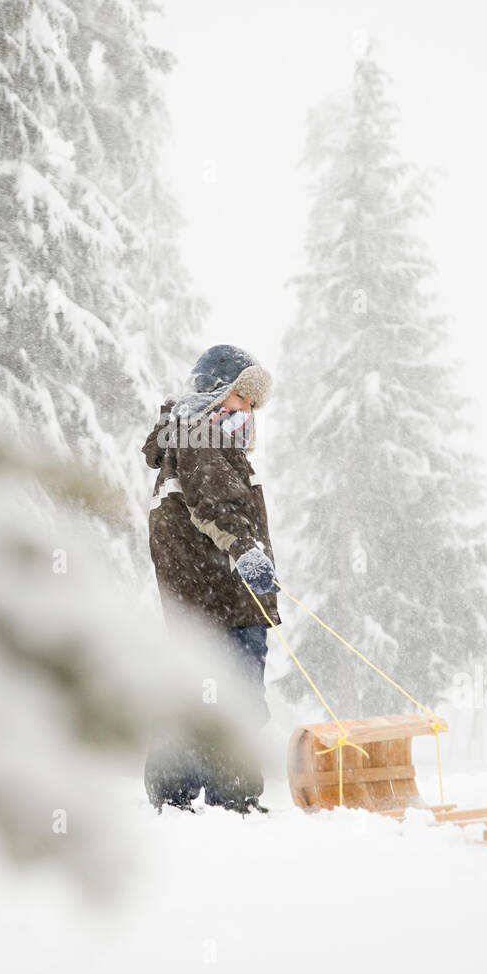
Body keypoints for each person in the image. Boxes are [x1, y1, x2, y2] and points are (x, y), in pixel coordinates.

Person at [141, 344, 280, 814]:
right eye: (244, 398)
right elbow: (214, 506)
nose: (250, 410)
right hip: (222, 595)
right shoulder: (201, 438)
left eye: (254, 404)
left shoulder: (191, 438)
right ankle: (232, 797)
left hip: (203, 598)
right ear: (216, 391)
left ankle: (175, 792)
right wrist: (247, 554)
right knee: (234, 696)